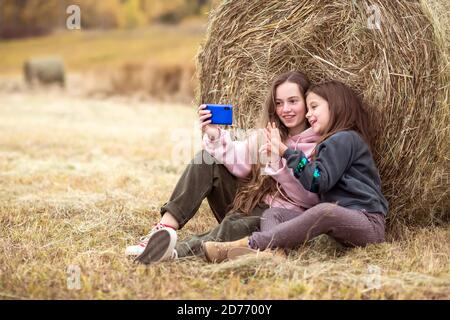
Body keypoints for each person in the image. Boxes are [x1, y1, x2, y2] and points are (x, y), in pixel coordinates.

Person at [126, 71, 320, 264]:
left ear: (307, 102)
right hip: (251, 203)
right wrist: (214, 135)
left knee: (231, 228)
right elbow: (239, 162)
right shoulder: (269, 133)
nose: (285, 109)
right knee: (206, 160)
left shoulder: (319, 144)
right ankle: (164, 228)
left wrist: (280, 159)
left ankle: (172, 251)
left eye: (293, 101)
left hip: (278, 218)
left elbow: (311, 195)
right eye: (279, 103)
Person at [202, 80, 389, 263]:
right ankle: (275, 253)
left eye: (314, 107)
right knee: (273, 214)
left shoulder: (344, 138)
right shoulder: (329, 143)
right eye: (307, 109)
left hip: (366, 223)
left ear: (336, 106)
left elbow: (317, 180)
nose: (308, 115)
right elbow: (315, 179)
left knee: (324, 211)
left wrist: (286, 152)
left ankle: (252, 243)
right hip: (339, 224)